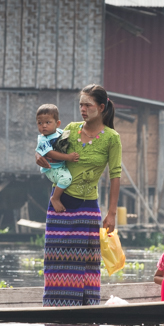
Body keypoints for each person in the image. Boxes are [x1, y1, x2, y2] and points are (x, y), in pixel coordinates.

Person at [35, 84, 122, 307]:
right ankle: (55, 309)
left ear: (101, 107)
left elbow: (115, 176)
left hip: (87, 208)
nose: (83, 109)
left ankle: (85, 312)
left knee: (86, 265)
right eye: (81, 104)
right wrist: (38, 156)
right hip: (60, 205)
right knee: (56, 262)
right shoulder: (71, 130)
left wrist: (112, 214)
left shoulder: (112, 138)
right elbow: (47, 145)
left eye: (88, 105)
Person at [35, 104, 80, 212]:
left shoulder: (59, 132)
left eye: (47, 122)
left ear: (57, 124)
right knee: (66, 179)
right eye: (40, 123)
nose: (43, 126)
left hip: (60, 166)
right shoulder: (43, 139)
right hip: (51, 168)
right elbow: (50, 153)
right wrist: (68, 157)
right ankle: (55, 198)